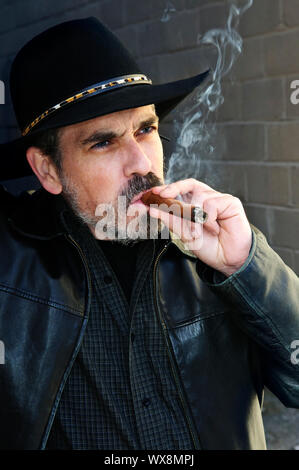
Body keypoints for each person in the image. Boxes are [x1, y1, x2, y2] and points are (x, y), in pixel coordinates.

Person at [0, 17, 298, 451]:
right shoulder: (12, 264)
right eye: (102, 142)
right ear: (47, 170)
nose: (141, 161)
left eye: (146, 129)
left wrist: (247, 265)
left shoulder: (212, 249)